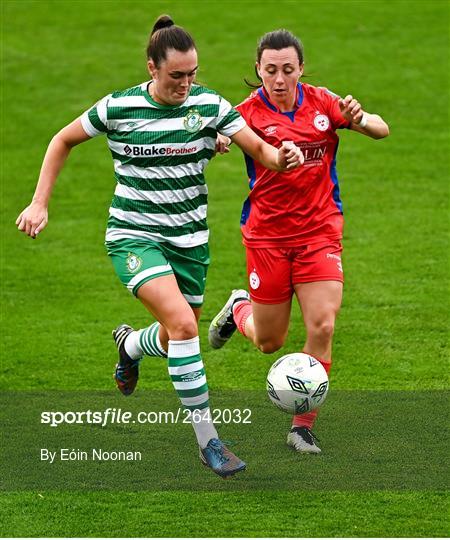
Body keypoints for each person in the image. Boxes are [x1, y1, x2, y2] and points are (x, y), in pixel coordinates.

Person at [15, 17, 302, 478]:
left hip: (190, 242)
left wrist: (281, 158)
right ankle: (209, 441)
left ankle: (130, 345)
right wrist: (39, 202)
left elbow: (261, 150)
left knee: (172, 339)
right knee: (186, 326)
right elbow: (62, 140)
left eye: (192, 74)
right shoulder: (119, 107)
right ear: (152, 68)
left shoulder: (208, 104)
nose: (186, 84)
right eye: (176, 76)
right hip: (134, 236)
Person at [209, 29, 389, 453]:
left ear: (300, 69)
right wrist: (218, 139)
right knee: (268, 341)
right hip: (267, 238)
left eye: (288, 69)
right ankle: (239, 308)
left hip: (318, 233)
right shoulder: (245, 114)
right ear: (258, 69)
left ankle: (301, 426)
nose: (279, 78)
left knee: (322, 325)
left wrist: (360, 119)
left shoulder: (325, 103)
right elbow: (215, 135)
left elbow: (382, 129)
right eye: (270, 70)